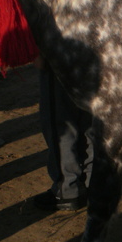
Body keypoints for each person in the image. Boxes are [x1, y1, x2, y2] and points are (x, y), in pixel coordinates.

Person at [33, 60, 94, 211]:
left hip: (60, 52)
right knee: (88, 120)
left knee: (60, 122)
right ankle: (92, 183)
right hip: (93, 51)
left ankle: (68, 189)